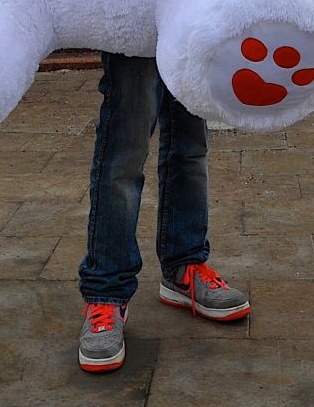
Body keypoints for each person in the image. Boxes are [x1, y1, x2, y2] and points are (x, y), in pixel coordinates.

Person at [78, 53, 249, 372]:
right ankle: (107, 292)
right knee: (125, 140)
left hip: (187, 7)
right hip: (131, 9)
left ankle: (184, 267)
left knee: (190, 139)